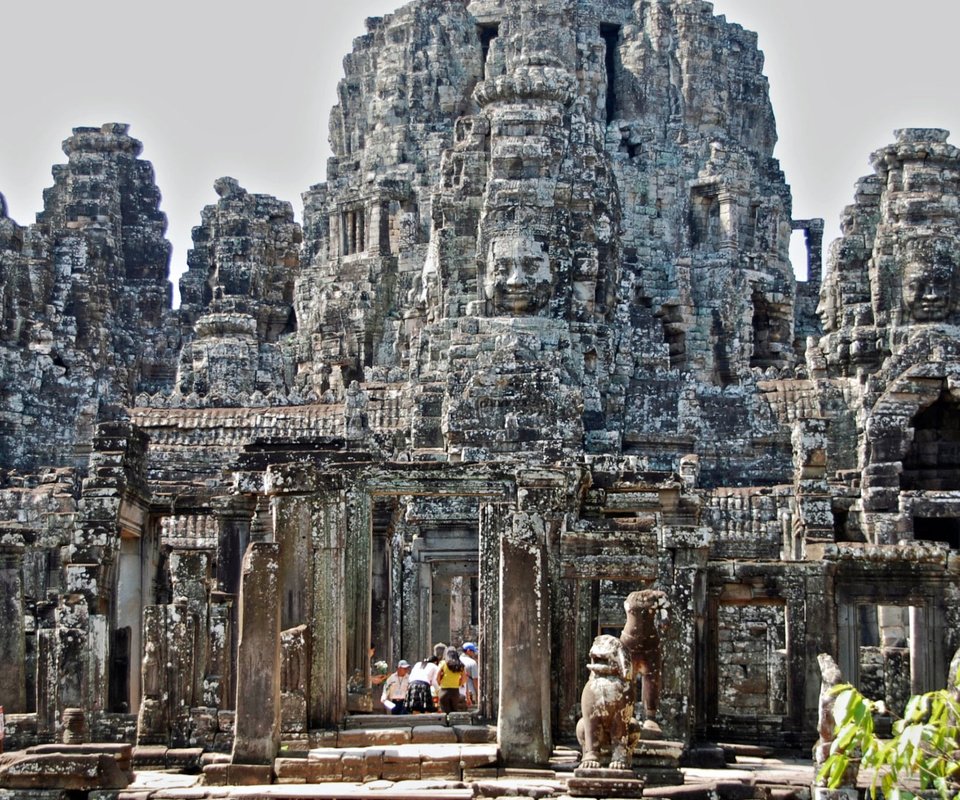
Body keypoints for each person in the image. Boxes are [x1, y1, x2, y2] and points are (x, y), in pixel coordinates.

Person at [437, 646, 466, 713]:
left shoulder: (443, 663)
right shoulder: (460, 665)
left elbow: (437, 677)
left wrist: (440, 683)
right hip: (455, 691)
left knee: (445, 713)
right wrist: (459, 684)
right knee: (454, 712)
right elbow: (464, 678)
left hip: (444, 691)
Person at [460, 642, 479, 708]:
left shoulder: (457, 660)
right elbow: (475, 680)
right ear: (468, 651)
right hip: (470, 692)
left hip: (459, 692)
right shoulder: (472, 662)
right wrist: (478, 693)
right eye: (473, 651)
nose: (474, 653)